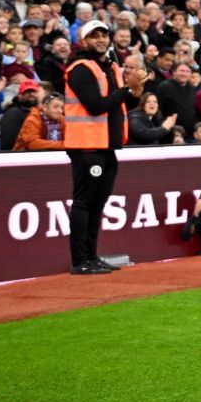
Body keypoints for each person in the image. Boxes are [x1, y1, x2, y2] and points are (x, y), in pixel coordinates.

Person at [63, 19, 147, 275]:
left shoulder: (110, 67)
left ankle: (91, 255)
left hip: (106, 145)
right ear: (84, 40)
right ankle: (80, 260)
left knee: (97, 203)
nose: (101, 39)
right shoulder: (80, 68)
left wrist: (135, 93)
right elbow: (96, 105)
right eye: (94, 35)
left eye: (104, 35)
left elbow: (118, 107)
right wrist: (127, 90)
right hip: (87, 146)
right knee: (85, 202)